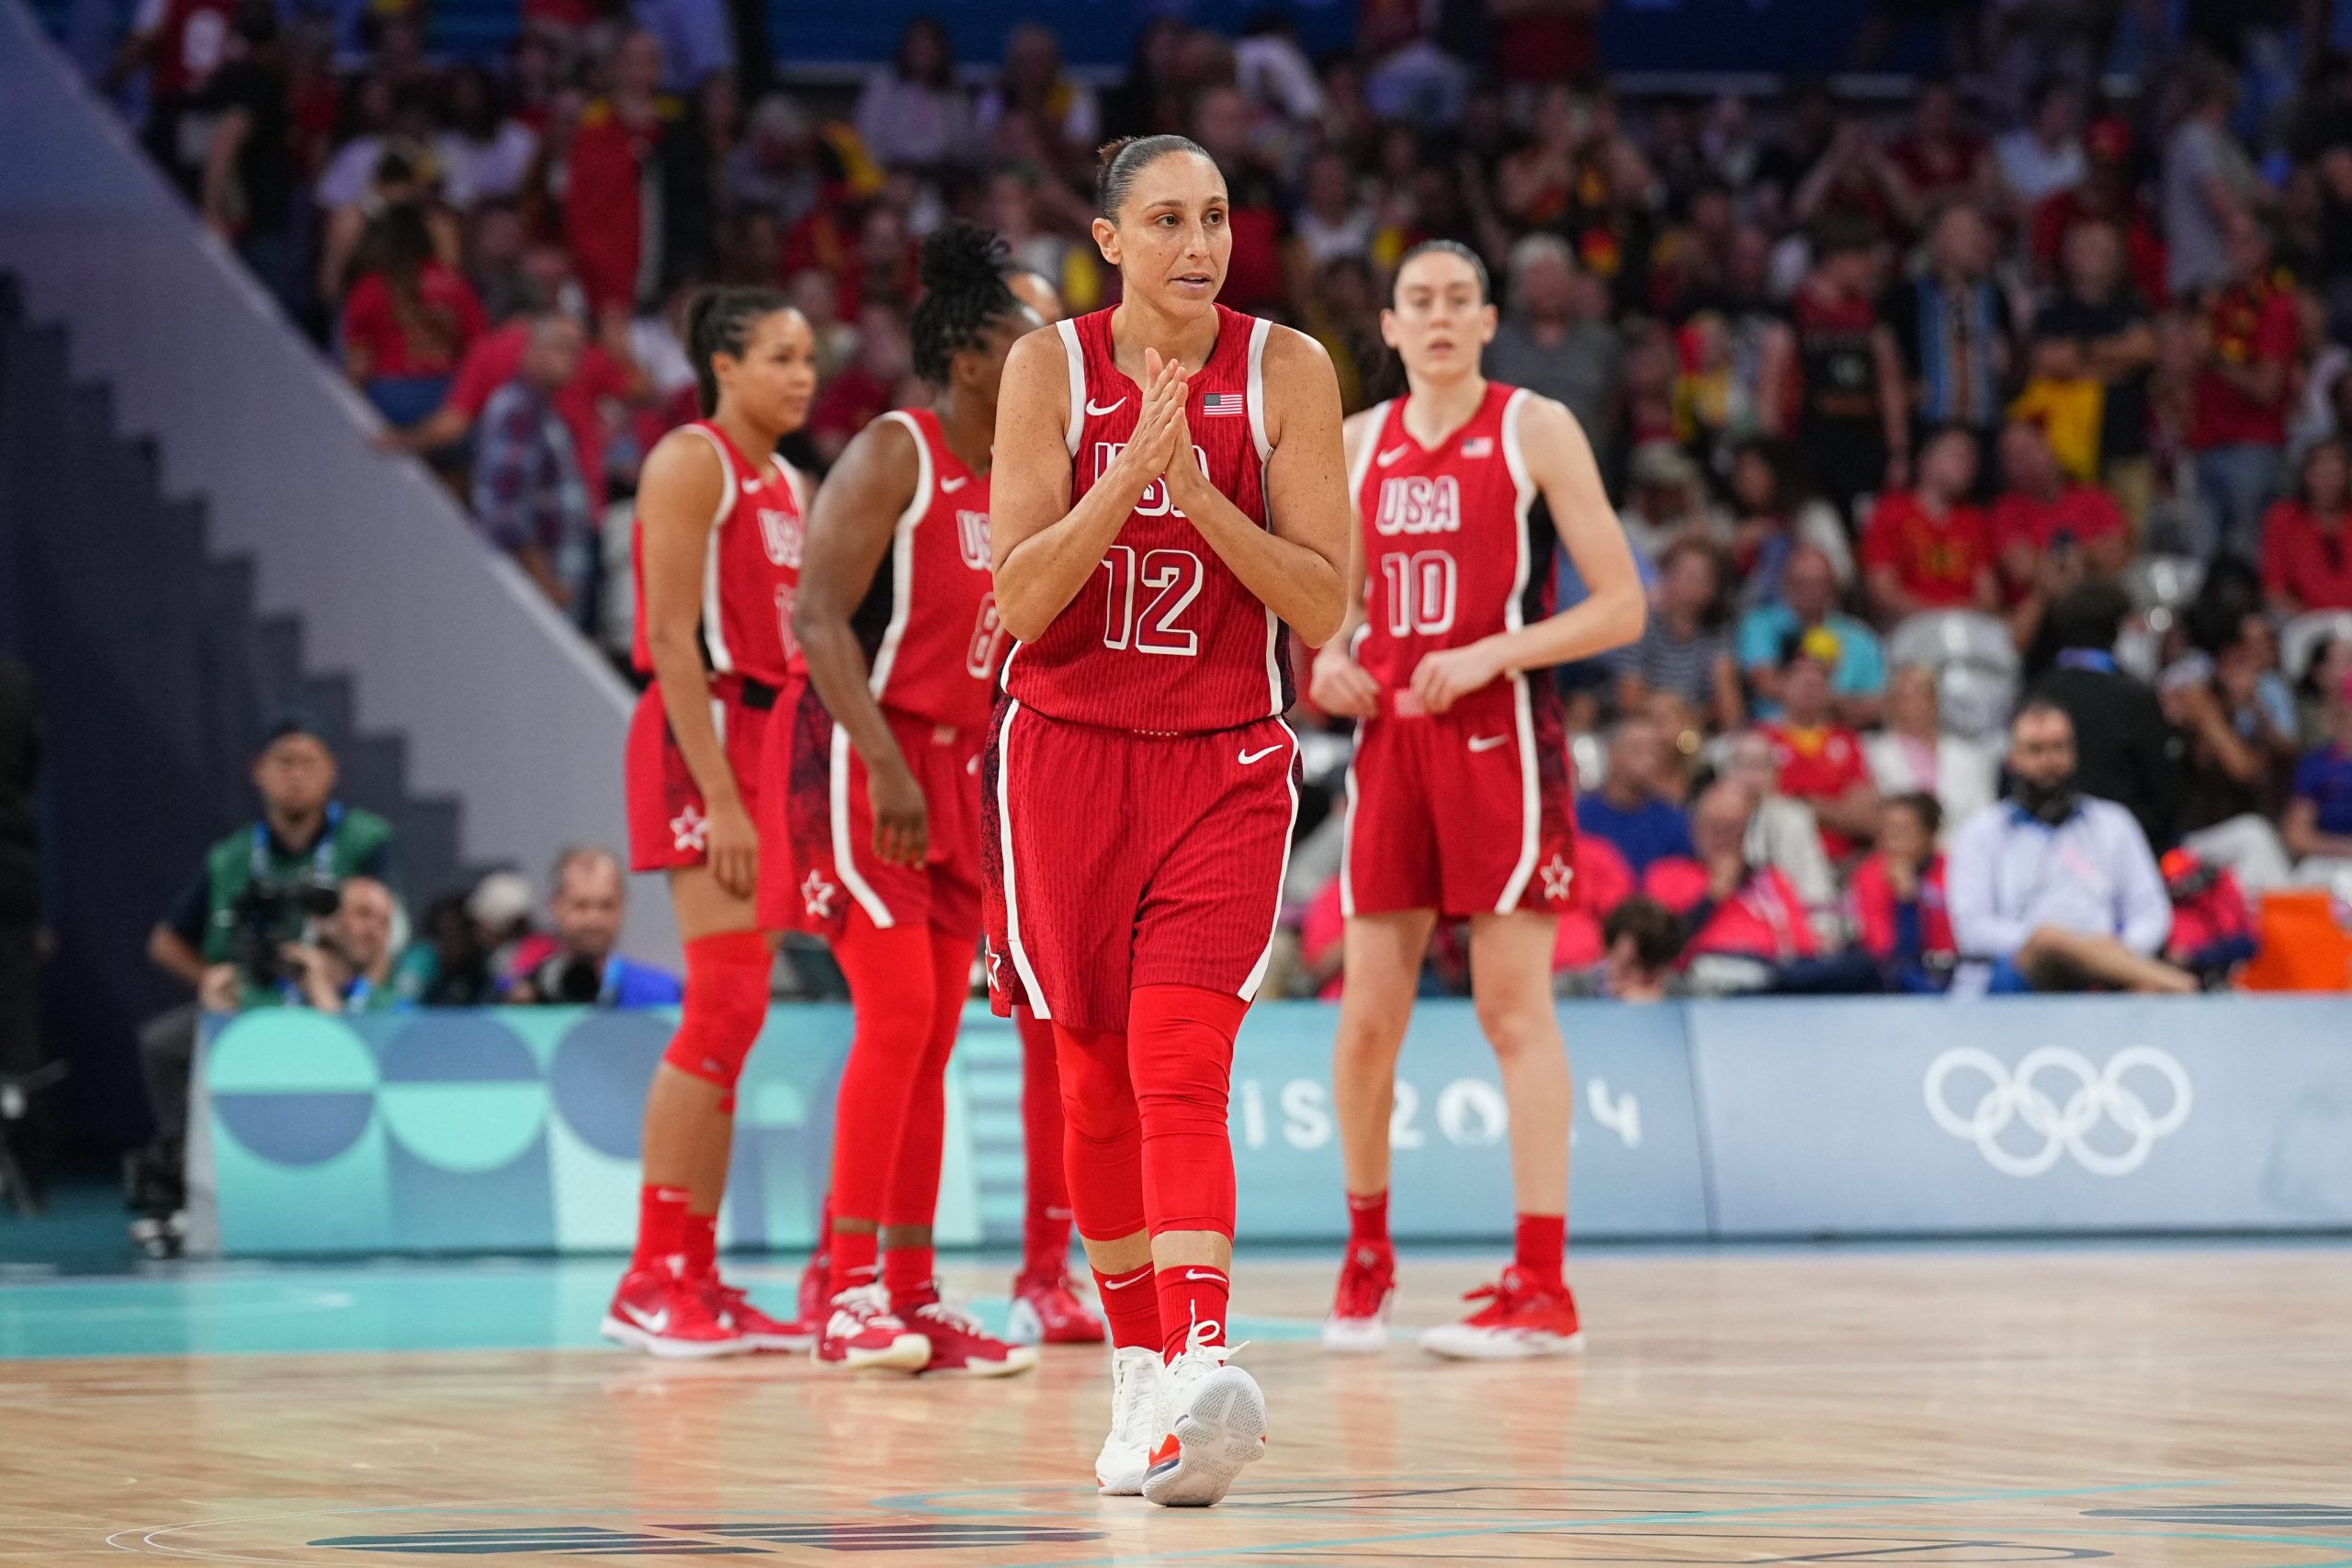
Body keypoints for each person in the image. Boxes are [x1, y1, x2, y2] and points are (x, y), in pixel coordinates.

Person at [985, 134, 1350, 1507]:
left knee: (1181, 1058)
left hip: (1224, 760)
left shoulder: (1288, 370)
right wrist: (1125, 481)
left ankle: (1198, 1362)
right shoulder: (1049, 369)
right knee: (1090, 1078)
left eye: (1215, 216)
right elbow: (1019, 597)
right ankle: (1139, 1379)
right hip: (1068, 755)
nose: (1199, 243)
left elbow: (1324, 608)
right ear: (1109, 238)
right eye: (1166, 219)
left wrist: (1202, 497)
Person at [1305, 240, 1641, 1359]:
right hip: (1393, 749)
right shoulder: (1357, 446)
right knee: (1365, 1023)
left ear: (1489, 320)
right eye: (1418, 302)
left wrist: (1498, 650)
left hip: (1505, 744)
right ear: (1390, 329)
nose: (1439, 317)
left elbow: (1621, 608)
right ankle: (1365, 1259)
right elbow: (1331, 613)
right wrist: (1330, 662)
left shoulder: (1533, 427)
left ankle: (1542, 1288)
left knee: (1512, 1012)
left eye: (1458, 300)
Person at [772, 225, 1048, 1378]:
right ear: (978, 358)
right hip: (864, 753)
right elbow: (816, 620)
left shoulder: (1022, 477)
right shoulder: (899, 450)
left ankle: (911, 1292)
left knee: (933, 1037)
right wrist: (883, 763)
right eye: (1031, 344)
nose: (1053, 362)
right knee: (894, 1019)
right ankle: (842, 1294)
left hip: (965, 771)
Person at [604, 287, 816, 1360]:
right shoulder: (693, 461)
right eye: (779, 356)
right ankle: (651, 1275)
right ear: (721, 365)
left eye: (809, 357)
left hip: (772, 744)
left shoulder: (792, 482)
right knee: (722, 1005)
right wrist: (723, 793)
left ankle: (697, 1269)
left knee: (738, 1018)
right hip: (707, 738)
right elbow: (669, 641)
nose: (802, 375)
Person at [1946, 702, 2192, 995]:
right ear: (2013, 758)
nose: (2049, 761)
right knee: (2047, 941)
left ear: (2074, 754)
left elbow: (2151, 912)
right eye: (2035, 750)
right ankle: (2176, 984)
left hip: (2109, 965)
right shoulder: (1982, 832)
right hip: (2019, 968)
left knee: (2141, 993)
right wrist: (2054, 942)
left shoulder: (2113, 823)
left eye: (2059, 748)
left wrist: (2118, 948)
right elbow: (1972, 930)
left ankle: (2136, 977)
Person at [2028, 581, 2186, 852]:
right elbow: (2166, 795)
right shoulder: (2137, 699)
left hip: (2044, 845)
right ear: (2118, 630)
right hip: (2128, 851)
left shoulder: (2034, 693)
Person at [1860, 424, 1999, 625]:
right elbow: (1882, 591)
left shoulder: (1974, 520)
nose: (1968, 464)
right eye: (1958, 455)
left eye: (1972, 459)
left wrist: (1956, 616)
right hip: (1907, 627)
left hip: (1967, 628)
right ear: (1926, 460)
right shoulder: (1891, 511)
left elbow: (1988, 596)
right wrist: (1938, 616)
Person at [1758, 635, 1879, 859]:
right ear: (1783, 687)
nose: (1810, 689)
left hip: (1842, 860)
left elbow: (1867, 819)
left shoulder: (1848, 741)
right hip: (1779, 857)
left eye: (1818, 684)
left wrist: (1801, 802)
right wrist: (1835, 810)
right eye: (1801, 682)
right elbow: (1761, 805)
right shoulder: (1761, 738)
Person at [508, 848, 681, 1006]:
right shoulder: (518, 991)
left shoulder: (663, 993)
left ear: (623, 906)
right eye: (581, 905)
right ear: (555, 906)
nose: (594, 920)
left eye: (607, 905)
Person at [1736, 544, 1885, 725]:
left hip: (1842, 735)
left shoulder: (1859, 637)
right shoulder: (1760, 624)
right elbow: (1764, 681)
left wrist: (1831, 701)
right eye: (1802, 582)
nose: (1810, 591)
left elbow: (1880, 703)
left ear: (1833, 586)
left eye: (1819, 582)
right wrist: (1815, 697)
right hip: (1776, 731)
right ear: (1786, 584)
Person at [1609, 536, 1743, 732]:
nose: (1694, 583)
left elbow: (1730, 709)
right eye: (1688, 574)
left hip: (1695, 731)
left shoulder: (1718, 634)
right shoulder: (1640, 628)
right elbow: (1629, 699)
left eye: (1703, 577)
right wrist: (1667, 710)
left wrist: (1690, 717)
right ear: (1666, 577)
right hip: (1645, 727)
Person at [1864, 663, 1999, 835]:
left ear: (1935, 701)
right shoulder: (1872, 753)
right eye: (1904, 697)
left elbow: (1985, 816)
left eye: (1921, 694)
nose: (1913, 704)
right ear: (1890, 704)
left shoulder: (1968, 755)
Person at [1845, 793, 1955, 991]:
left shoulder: (1953, 871)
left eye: (1903, 830)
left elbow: (1958, 938)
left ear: (1929, 833)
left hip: (1953, 970)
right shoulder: (1869, 875)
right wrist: (1906, 901)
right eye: (1885, 831)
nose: (1892, 840)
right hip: (1895, 980)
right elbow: (1888, 953)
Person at [1574, 716, 1694, 875]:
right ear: (1613, 753)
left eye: (1654, 753)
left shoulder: (1673, 820)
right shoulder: (1581, 814)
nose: (1648, 760)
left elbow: (1679, 876)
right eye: (1637, 749)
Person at [2260, 437, 2352, 614]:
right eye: (2321, 475)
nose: (2328, 483)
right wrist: (2306, 621)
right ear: (2306, 476)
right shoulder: (2283, 519)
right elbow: (2275, 588)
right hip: (2302, 622)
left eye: (2335, 475)